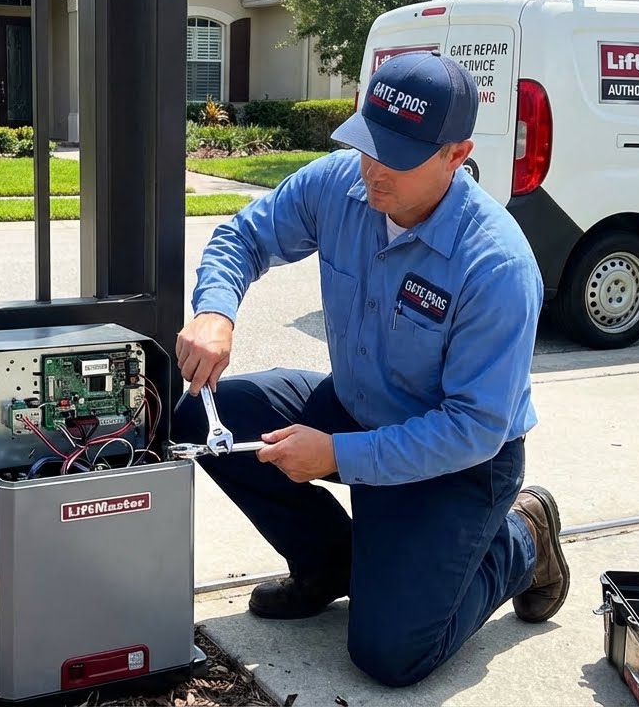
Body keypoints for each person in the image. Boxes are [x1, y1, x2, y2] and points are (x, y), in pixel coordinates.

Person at [171, 50, 569, 688]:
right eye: (367, 143)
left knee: (391, 655)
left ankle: (522, 538)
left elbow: (472, 427)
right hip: (354, 405)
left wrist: (337, 456)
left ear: (455, 154)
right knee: (203, 415)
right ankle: (331, 567)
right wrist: (216, 312)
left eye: (398, 156)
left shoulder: (495, 265)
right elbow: (243, 237)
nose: (373, 169)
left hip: (459, 462)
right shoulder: (339, 183)